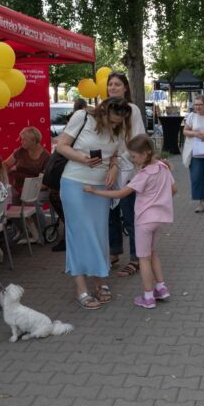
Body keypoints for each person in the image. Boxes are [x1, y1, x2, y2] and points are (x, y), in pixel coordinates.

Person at [55, 97, 133, 309]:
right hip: (75, 183)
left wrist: (114, 167)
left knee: (99, 233)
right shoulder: (82, 117)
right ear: (103, 113)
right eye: (113, 121)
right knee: (79, 233)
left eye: (119, 122)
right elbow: (61, 146)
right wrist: (82, 159)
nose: (115, 125)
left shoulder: (118, 128)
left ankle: (99, 278)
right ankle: (81, 287)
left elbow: (115, 154)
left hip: (100, 188)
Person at [84, 135, 176, 309]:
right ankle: (161, 288)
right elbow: (174, 189)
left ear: (145, 153)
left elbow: (120, 194)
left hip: (144, 221)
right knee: (153, 253)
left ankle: (148, 297)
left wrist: (95, 192)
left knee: (143, 259)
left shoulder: (143, 174)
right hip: (160, 219)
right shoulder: (163, 167)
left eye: (134, 156)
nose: (132, 160)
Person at [105, 72, 146, 278]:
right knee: (111, 216)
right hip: (108, 168)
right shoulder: (104, 109)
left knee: (130, 215)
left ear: (125, 88)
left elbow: (136, 139)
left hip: (128, 169)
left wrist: (118, 159)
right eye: (110, 84)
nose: (113, 87)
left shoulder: (132, 110)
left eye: (117, 84)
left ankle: (136, 258)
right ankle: (113, 252)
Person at [49, 99, 88, 253]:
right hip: (67, 169)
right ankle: (71, 237)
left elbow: (65, 146)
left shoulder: (79, 125)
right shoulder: (78, 124)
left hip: (69, 169)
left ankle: (71, 238)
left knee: (66, 204)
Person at [3, 126, 51, 239]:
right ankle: (22, 230)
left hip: (38, 188)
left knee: (31, 201)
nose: (21, 141)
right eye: (21, 139)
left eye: (24, 139)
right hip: (18, 187)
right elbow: (6, 164)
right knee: (9, 201)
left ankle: (42, 231)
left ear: (34, 141)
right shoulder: (20, 151)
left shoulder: (45, 157)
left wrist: (31, 189)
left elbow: (46, 182)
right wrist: (5, 172)